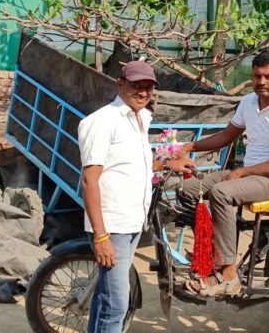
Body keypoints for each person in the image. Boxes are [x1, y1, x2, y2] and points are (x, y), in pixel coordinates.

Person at [179, 51, 269, 297]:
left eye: (268, 76)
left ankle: (229, 275)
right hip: (250, 177)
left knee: (221, 192)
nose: (262, 82)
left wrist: (241, 172)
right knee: (188, 190)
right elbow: (227, 137)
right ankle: (207, 257)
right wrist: (191, 146)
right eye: (257, 76)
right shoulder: (248, 102)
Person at [78, 60, 194, 333]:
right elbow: (89, 179)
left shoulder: (140, 120)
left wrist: (168, 165)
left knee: (107, 298)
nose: (143, 92)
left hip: (132, 222)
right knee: (117, 303)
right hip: (112, 226)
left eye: (148, 88)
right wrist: (101, 236)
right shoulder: (102, 121)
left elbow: (134, 164)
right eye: (136, 86)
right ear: (120, 84)